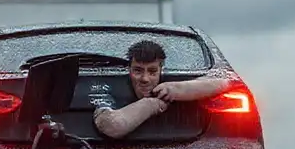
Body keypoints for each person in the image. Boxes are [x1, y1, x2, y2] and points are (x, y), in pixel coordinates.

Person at [93, 40, 232, 139]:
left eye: (152, 71)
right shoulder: (108, 88)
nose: (145, 79)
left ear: (161, 70)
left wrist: (177, 89)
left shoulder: (171, 84)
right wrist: (153, 104)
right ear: (128, 70)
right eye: (137, 71)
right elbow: (112, 126)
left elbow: (226, 82)